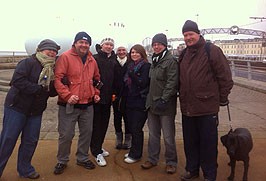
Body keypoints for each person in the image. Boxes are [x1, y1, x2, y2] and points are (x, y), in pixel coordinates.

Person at [179, 20, 233, 181]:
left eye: (191, 34)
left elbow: (225, 78)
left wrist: (222, 99)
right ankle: (192, 169)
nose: (188, 38)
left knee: (208, 144)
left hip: (207, 108)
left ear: (198, 34)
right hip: (187, 108)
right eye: (185, 35)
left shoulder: (212, 51)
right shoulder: (183, 54)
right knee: (190, 143)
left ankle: (210, 174)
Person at [0, 39, 60, 179]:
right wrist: (38, 89)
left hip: (35, 111)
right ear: (40, 50)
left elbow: (50, 92)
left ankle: (25, 169)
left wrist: (60, 86)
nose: (52, 52)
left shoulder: (52, 68)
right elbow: (17, 81)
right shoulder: (27, 63)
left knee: (30, 140)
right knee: (8, 139)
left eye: (54, 51)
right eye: (49, 50)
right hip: (17, 107)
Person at [53, 31, 101, 175]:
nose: (84, 45)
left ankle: (82, 157)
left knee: (87, 133)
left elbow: (97, 80)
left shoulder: (92, 60)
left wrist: (96, 94)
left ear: (89, 45)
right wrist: (67, 96)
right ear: (75, 43)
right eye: (81, 42)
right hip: (69, 105)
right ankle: (62, 160)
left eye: (86, 43)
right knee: (66, 135)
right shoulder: (65, 57)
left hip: (88, 105)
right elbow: (58, 79)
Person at [141, 33, 178, 174]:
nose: (156, 46)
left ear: (165, 45)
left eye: (159, 44)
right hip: (152, 104)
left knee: (168, 136)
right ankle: (152, 158)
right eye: (154, 44)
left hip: (165, 105)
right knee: (153, 134)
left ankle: (171, 162)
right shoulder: (154, 61)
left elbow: (172, 82)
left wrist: (164, 99)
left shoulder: (171, 61)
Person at [90, 37, 116, 167]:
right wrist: (96, 91)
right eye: (106, 44)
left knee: (104, 124)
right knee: (96, 125)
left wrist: (113, 93)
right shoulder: (95, 58)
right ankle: (95, 151)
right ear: (101, 46)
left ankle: (99, 147)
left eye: (111, 45)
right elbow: (91, 77)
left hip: (108, 98)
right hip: (97, 98)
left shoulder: (113, 59)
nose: (109, 46)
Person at [123, 44, 150, 164]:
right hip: (130, 101)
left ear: (142, 53)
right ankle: (133, 150)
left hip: (140, 102)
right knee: (131, 127)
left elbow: (142, 83)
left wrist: (132, 74)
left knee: (137, 128)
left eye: (136, 52)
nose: (134, 54)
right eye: (132, 52)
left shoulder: (146, 66)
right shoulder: (130, 65)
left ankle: (136, 155)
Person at [112, 45, 132, 150]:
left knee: (128, 117)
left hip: (128, 95)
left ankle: (128, 138)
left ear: (126, 51)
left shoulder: (130, 62)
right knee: (117, 117)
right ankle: (119, 137)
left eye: (123, 50)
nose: (121, 52)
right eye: (119, 50)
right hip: (116, 95)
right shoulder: (113, 62)